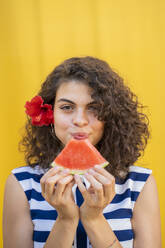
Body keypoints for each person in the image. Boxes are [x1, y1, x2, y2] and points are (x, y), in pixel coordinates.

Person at [3, 56, 161, 248]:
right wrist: (66, 220)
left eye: (93, 108)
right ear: (50, 114)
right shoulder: (21, 184)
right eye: (67, 107)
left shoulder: (139, 184)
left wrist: (94, 220)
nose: (79, 120)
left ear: (110, 117)